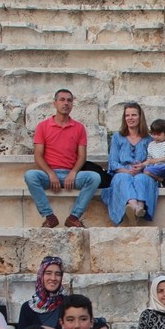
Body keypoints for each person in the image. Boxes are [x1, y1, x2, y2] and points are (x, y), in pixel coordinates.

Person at [24, 88, 101, 229]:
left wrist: (73, 173)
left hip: (71, 175)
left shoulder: (79, 128)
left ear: (72, 104)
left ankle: (74, 217)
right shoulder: (43, 126)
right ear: (55, 103)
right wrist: (50, 173)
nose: (66, 103)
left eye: (69, 100)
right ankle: (49, 217)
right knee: (30, 176)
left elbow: (82, 156)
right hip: (49, 174)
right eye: (62, 100)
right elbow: (38, 156)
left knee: (94, 177)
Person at [101, 103, 158, 225]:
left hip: (143, 172)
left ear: (140, 117)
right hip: (122, 171)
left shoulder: (148, 139)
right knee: (123, 178)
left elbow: (154, 161)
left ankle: (139, 208)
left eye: (133, 115)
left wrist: (142, 166)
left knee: (141, 179)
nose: (130, 118)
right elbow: (113, 162)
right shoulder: (117, 137)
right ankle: (135, 207)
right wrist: (127, 171)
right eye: (127, 115)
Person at [17, 255, 67, 329]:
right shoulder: (28, 308)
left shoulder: (68, 304)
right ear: (41, 275)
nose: (53, 278)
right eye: (48, 273)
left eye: (58, 274)